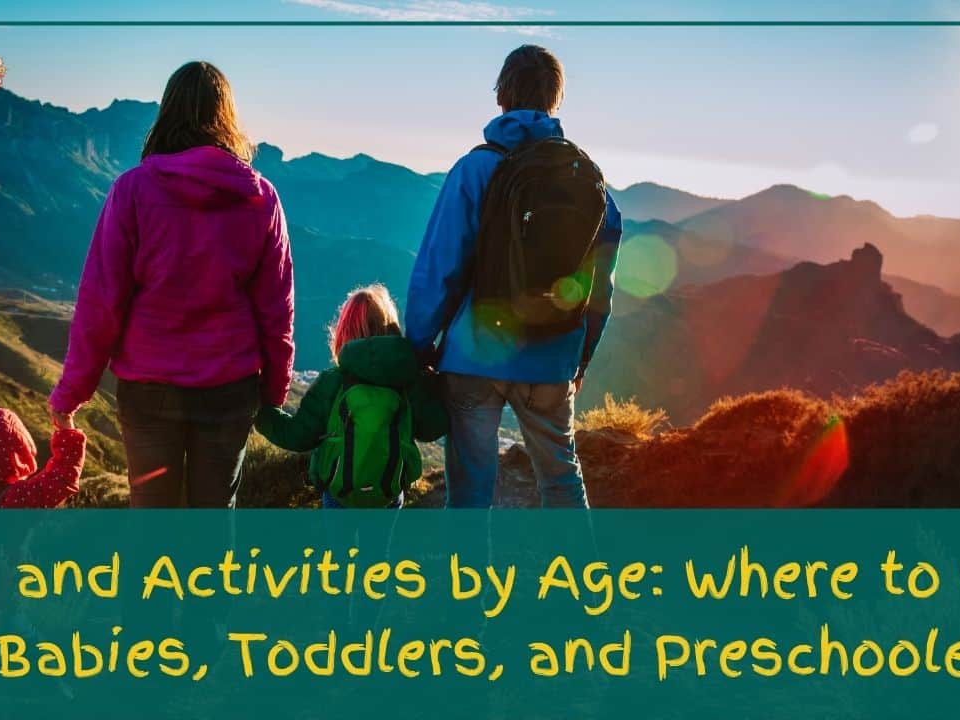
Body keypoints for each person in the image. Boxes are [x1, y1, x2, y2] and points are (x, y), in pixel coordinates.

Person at [49, 60, 294, 508]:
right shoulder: (260, 196)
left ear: (167, 112)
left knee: (154, 522)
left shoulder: (133, 190)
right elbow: (276, 309)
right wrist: (274, 389)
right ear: (227, 117)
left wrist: (73, 390)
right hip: (229, 387)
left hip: (150, 388)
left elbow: (101, 301)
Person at [405, 45, 623, 509]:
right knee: (562, 482)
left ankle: (467, 583)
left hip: (473, 357)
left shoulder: (475, 168)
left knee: (469, 493)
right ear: (555, 99)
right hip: (551, 356)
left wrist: (419, 346)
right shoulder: (586, 179)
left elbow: (439, 268)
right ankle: (575, 580)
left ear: (502, 93)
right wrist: (579, 359)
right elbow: (600, 289)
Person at [255, 285, 448, 508]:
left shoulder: (333, 381)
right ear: (391, 328)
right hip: (388, 493)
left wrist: (260, 411)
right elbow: (434, 427)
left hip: (340, 494)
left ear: (343, 330)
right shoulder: (408, 380)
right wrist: (434, 381)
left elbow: (297, 436)